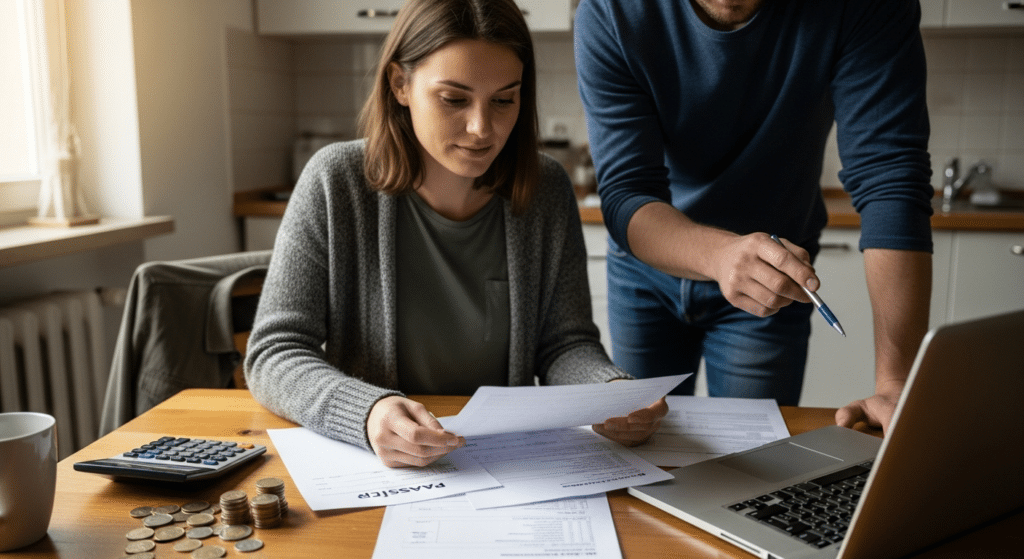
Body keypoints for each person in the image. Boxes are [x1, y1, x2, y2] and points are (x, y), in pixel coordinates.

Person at [245, 0, 667, 468]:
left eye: (504, 100)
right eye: (454, 99)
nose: (481, 128)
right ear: (400, 84)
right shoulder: (334, 181)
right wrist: (367, 412)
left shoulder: (545, 189)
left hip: (506, 463)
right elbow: (274, 353)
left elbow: (564, 345)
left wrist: (609, 391)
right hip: (381, 467)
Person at [574, 0, 934, 434]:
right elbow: (628, 192)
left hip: (773, 275)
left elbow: (891, 177)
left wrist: (896, 383)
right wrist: (720, 256)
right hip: (646, 265)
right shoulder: (610, 10)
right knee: (635, 440)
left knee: (754, 460)